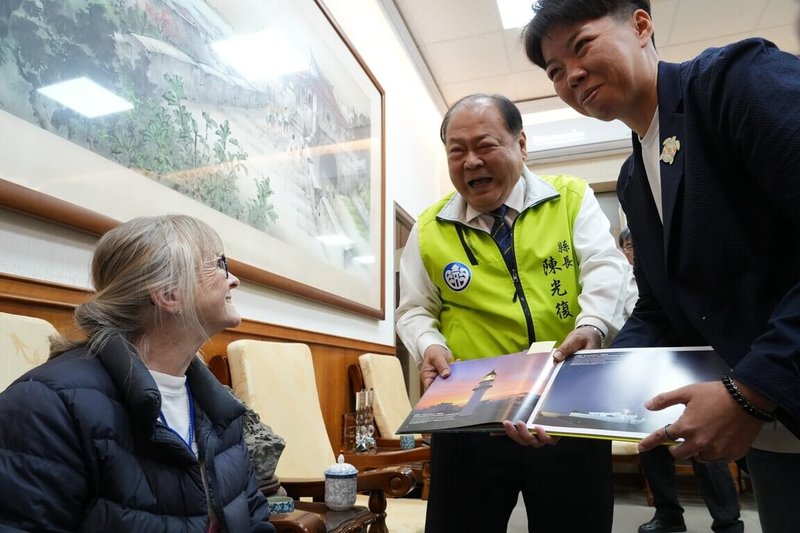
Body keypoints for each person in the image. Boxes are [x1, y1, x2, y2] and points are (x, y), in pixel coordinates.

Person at [521, 1, 800, 532]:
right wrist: (579, 389)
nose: (571, 75)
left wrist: (752, 389)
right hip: (778, 432)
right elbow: (659, 308)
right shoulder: (632, 178)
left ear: (642, 25)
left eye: (581, 46)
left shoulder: (733, 82)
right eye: (554, 71)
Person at [395, 93, 634, 532]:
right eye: (456, 150)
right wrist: (429, 345)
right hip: (471, 417)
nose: (471, 162)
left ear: (521, 144)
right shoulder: (429, 228)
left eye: (486, 145)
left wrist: (593, 325)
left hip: (566, 409)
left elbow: (607, 269)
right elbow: (413, 309)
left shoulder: (570, 198)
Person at [0, 215, 274, 532]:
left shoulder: (220, 408)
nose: (234, 280)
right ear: (168, 294)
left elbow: (255, 521)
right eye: (219, 263)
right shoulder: (46, 406)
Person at [619, 229, 743, 532]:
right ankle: (668, 515)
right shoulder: (622, 279)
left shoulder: (674, 269)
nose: (633, 250)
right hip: (643, 375)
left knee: (704, 447)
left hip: (689, 370)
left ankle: (727, 522)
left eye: (637, 243)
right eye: (628, 245)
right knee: (651, 447)